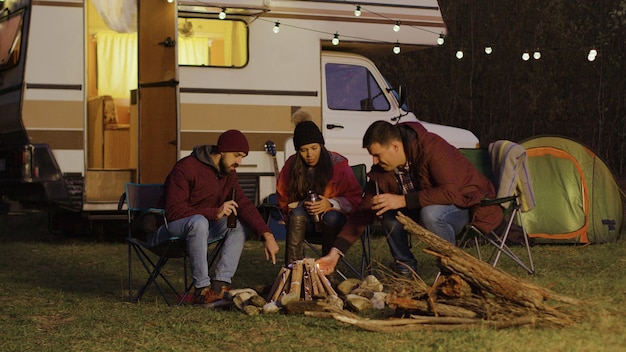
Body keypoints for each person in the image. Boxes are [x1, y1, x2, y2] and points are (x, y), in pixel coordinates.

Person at [316, 120, 503, 276]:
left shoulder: (432, 148)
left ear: (395, 146)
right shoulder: (383, 170)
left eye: (377, 155)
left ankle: (452, 270)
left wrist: (402, 200)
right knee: (388, 214)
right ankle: (406, 271)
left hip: (466, 205)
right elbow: (362, 213)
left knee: (431, 213)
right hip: (424, 209)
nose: (375, 161)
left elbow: (450, 193)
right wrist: (335, 254)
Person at [148, 130, 280, 306]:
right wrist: (214, 213)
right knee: (199, 221)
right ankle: (201, 290)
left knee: (238, 224)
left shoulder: (228, 174)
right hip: (167, 230)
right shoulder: (186, 168)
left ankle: (219, 286)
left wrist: (266, 234)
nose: (239, 162)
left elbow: (244, 204)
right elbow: (173, 211)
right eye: (236, 156)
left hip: (199, 231)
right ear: (222, 151)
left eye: (242, 157)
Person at [277, 120, 363, 266]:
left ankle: (327, 270)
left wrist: (330, 203)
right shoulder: (291, 166)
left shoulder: (338, 165)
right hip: (305, 223)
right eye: (303, 150)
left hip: (336, 223)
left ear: (321, 146)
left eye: (314, 148)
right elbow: (283, 198)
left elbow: (356, 199)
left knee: (331, 216)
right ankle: (294, 270)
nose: (310, 154)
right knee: (296, 215)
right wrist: (302, 205)